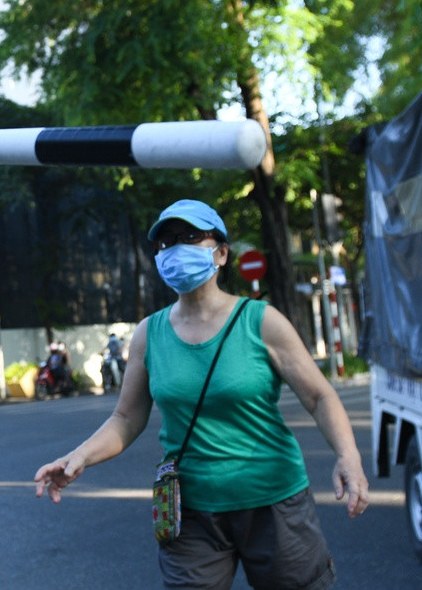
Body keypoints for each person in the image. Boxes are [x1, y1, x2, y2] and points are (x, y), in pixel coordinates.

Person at [34, 199, 369, 589]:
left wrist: (349, 455)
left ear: (222, 253)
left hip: (274, 504)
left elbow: (319, 396)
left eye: (191, 237)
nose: (176, 249)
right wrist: (78, 457)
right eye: (167, 242)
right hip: (189, 513)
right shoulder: (149, 333)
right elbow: (126, 418)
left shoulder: (261, 321)